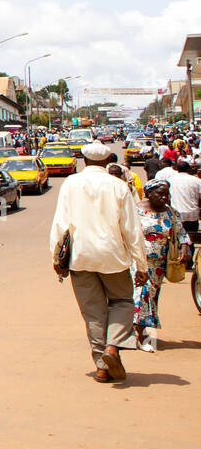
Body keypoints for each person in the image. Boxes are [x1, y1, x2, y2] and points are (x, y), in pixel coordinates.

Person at [50, 143, 150, 383]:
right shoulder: (118, 185)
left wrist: (55, 258)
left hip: (80, 256)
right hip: (113, 257)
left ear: (83, 161)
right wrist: (141, 264)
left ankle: (101, 367)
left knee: (93, 313)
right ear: (106, 163)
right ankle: (112, 348)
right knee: (123, 301)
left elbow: (60, 223)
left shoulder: (70, 184)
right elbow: (131, 229)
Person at [133, 177, 185, 353]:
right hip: (137, 261)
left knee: (151, 297)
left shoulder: (171, 212)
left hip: (159, 265)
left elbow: (181, 233)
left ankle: (138, 332)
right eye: (160, 194)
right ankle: (139, 335)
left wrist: (185, 248)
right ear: (149, 194)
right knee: (141, 294)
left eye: (166, 194)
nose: (164, 198)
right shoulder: (135, 210)